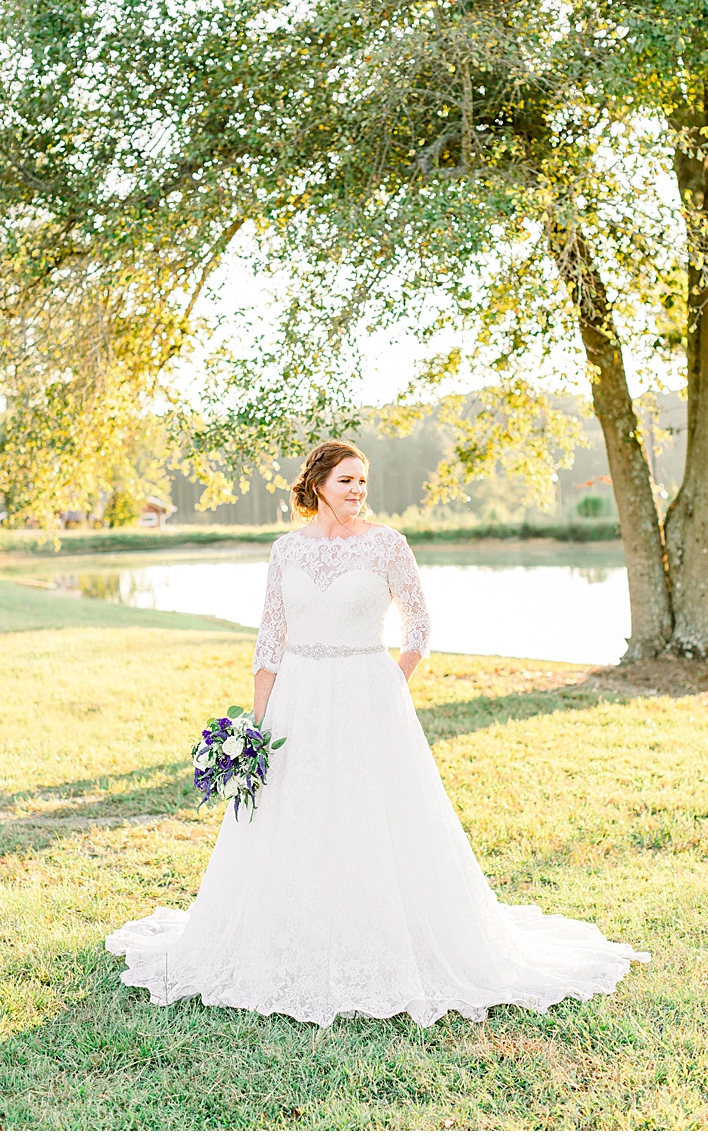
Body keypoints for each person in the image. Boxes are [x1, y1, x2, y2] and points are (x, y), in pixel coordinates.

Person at [106, 440, 648, 1027]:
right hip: (299, 697)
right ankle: (293, 932)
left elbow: (419, 624)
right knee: (299, 812)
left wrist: (393, 680)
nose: (358, 491)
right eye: (346, 481)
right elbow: (270, 639)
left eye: (363, 481)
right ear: (317, 484)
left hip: (368, 693)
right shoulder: (285, 550)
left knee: (374, 811)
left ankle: (382, 934)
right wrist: (256, 729)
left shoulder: (388, 544)